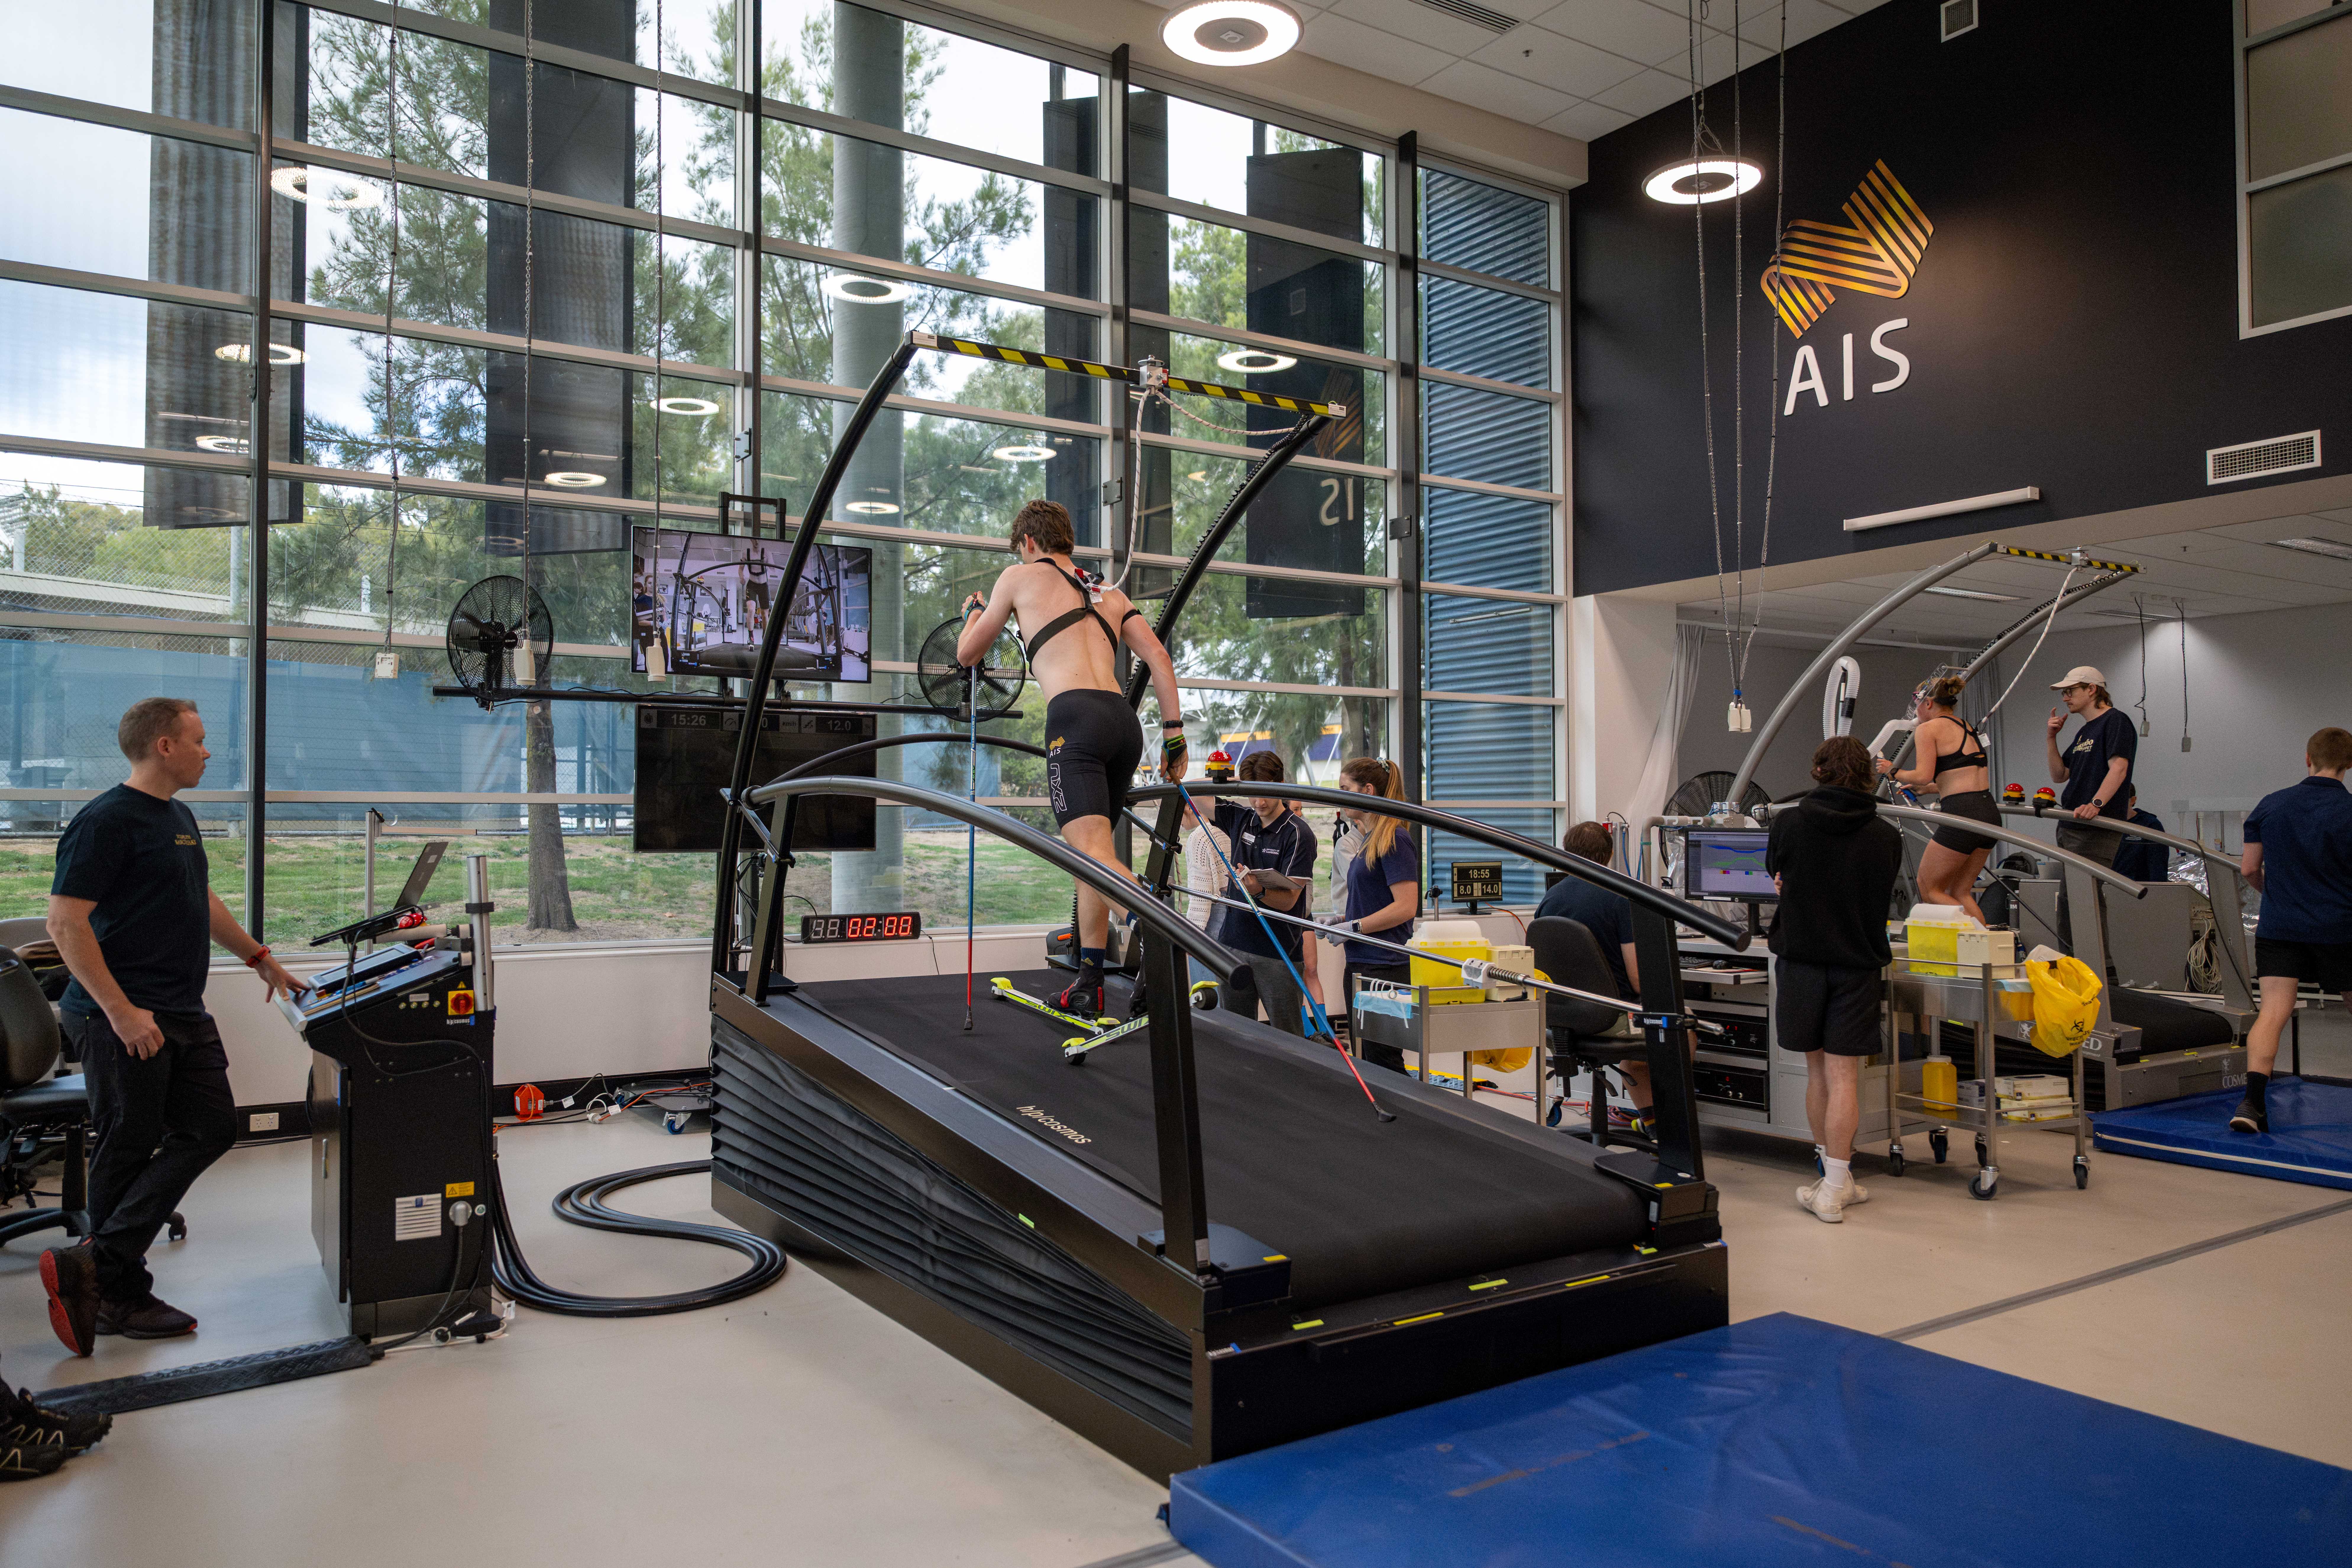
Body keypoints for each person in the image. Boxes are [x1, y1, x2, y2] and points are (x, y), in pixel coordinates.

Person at [41, 699, 305, 1355]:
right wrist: (121, 1012)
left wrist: (259, 957)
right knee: (127, 1146)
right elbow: (65, 923)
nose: (208, 752)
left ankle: (95, 1263)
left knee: (212, 1128)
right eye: (199, 740)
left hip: (180, 1007)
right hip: (121, 1014)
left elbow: (200, 898)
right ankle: (119, 1294)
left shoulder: (178, 817)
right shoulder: (105, 821)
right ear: (164, 745)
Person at [960, 500, 1187, 1015]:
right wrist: (1174, 736)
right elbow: (1158, 656)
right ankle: (1089, 979)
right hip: (1122, 724)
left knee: (1090, 852)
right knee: (1095, 856)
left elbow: (967, 653)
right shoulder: (1105, 591)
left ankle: (1155, 931)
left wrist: (974, 611)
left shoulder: (1017, 578)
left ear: (1029, 543)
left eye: (1021, 548)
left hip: (1075, 721)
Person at [1768, 736, 1903, 1223]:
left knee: (1817, 1073)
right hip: (1856, 965)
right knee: (1845, 1076)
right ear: (1867, 775)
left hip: (1801, 962)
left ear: (1818, 770)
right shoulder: (1886, 835)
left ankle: (1829, 1181)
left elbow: (1777, 876)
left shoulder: (1788, 823)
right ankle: (1836, 1183)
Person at [2230, 727, 2352, 1135]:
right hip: (2341, 928)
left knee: (2273, 1012)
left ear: (2307, 758)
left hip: (2281, 926)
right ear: (2349, 764)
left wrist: (2279, 894)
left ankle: (2251, 1103)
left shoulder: (2272, 804)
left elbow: (2249, 868)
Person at [1536, 821, 1658, 1123]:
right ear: (1610, 854)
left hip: (1559, 1021)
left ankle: (1650, 1120)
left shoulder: (1550, 899)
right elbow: (1638, 981)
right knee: (1684, 1025)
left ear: (1566, 853)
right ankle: (1664, 1123)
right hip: (1611, 1021)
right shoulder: (1620, 896)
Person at [1188, 751, 1317, 1036]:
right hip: (1233, 945)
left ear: (1281, 785)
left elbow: (1288, 901)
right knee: (1236, 1035)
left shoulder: (1298, 834)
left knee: (1288, 1038)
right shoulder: (1241, 818)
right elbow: (1191, 792)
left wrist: (1258, 891)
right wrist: (1235, 780)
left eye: (1266, 793)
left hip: (1277, 952)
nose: (1259, 803)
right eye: (1252, 794)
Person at [1875, 674, 2000, 924]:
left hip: (1962, 815)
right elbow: (1963, 773)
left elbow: (1922, 775)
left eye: (1917, 704)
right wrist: (1930, 789)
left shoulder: (1927, 729)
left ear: (1928, 703)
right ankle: (1986, 942)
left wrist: (1893, 771)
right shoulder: (1965, 726)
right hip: (1987, 812)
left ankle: (1980, 939)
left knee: (1929, 888)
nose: (1916, 711)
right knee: (1960, 892)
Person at [1333, 757, 1420, 1072]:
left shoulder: (1395, 838)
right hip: (1361, 961)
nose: (1340, 797)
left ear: (1368, 791)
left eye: (1346, 789)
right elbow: (1372, 900)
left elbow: (1406, 907)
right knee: (1368, 1061)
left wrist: (1354, 927)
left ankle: (1405, 1107)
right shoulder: (1368, 839)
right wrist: (1341, 922)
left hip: (1385, 966)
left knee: (1384, 1062)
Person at [2044, 665, 2137, 867]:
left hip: (2095, 825)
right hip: (2071, 822)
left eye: (2070, 691)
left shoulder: (2116, 721)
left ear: (2092, 689)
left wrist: (2096, 805)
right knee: (2072, 888)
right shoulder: (2085, 731)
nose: (2065, 698)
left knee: (2088, 886)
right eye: (2064, 693)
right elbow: (2060, 775)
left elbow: (2119, 768)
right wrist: (2051, 738)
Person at [2110, 788, 2171, 883]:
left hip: (2137, 886)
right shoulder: (2102, 823)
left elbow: (2158, 867)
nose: (2114, 804)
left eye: (2120, 799)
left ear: (2133, 800)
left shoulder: (2149, 825)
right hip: (2107, 883)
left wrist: (2157, 890)